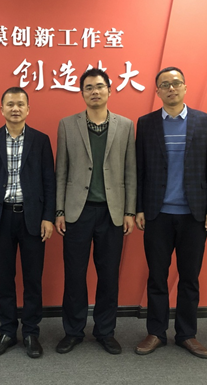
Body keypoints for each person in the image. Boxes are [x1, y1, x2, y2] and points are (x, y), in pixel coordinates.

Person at [134, 67, 207, 359]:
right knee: (157, 277)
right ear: (157, 90)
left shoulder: (204, 121)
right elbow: (139, 169)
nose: (171, 88)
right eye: (165, 84)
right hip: (157, 213)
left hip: (194, 214)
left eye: (176, 83)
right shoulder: (146, 123)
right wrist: (139, 207)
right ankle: (156, 332)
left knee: (189, 278)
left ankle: (186, 334)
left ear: (185, 87)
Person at [55, 68, 136, 355]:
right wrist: (59, 210)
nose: (94, 92)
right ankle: (73, 331)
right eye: (88, 87)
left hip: (112, 213)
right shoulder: (67, 125)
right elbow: (61, 170)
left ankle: (105, 331)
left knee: (109, 276)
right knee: (74, 275)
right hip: (77, 212)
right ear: (82, 93)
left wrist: (129, 211)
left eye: (99, 86)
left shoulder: (125, 125)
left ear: (109, 90)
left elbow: (130, 170)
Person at [0, 87, 56, 358]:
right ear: (1, 109)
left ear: (28, 109)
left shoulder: (41, 140)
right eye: (10, 104)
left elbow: (49, 180)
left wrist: (48, 217)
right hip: (1, 218)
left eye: (20, 104)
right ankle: (7, 331)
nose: (15, 109)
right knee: (4, 279)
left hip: (32, 218)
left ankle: (31, 332)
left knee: (33, 279)